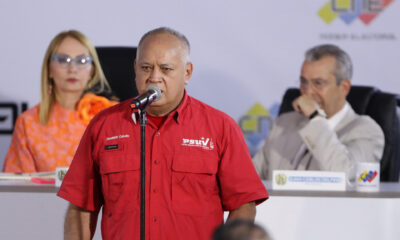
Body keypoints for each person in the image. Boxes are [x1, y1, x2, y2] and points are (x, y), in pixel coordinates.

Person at [57, 27, 268, 240]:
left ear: (187, 73)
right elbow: (81, 206)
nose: (154, 77)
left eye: (166, 69)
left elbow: (243, 205)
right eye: (146, 68)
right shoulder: (104, 125)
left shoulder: (220, 127)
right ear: (135, 69)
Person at [252, 44, 384, 181]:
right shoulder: (285, 123)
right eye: (303, 82)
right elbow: (249, 177)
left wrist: (315, 118)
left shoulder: (366, 130)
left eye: (318, 83)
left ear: (344, 88)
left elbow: (344, 175)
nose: (308, 92)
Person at [2, 30, 116, 173]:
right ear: (49, 69)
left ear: (92, 71)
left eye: (81, 61)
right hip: (42, 196)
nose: (72, 69)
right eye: (63, 60)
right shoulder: (28, 123)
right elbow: (19, 187)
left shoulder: (111, 117)